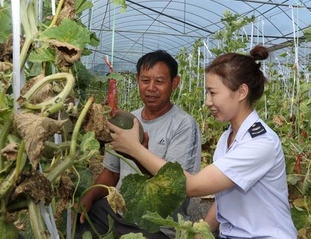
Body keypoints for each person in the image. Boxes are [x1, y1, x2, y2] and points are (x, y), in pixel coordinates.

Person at [107, 45, 298, 238]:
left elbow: (192, 186)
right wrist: (204, 228)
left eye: (213, 93)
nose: (207, 101)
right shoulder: (228, 136)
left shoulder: (259, 143)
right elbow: (228, 193)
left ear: (241, 92)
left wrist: (135, 149)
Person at [75, 50, 202, 239]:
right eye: (145, 80)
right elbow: (111, 172)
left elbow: (174, 189)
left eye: (159, 81)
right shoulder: (128, 120)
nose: (151, 88)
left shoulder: (184, 125)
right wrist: (89, 196)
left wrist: (137, 151)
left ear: (174, 83)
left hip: (157, 224)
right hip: (120, 214)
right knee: (82, 219)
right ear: (137, 80)